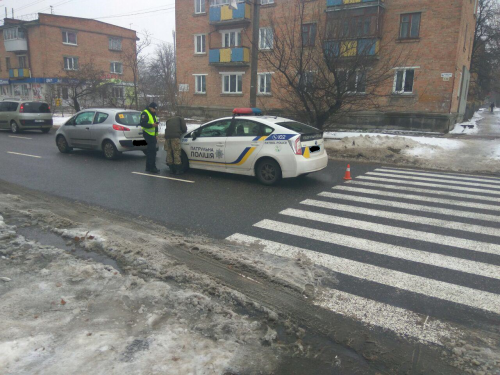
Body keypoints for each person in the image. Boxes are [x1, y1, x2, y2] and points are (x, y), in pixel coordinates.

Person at [140, 103, 160, 173]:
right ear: (150, 107)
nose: (155, 110)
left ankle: (148, 167)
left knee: (150, 151)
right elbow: (143, 123)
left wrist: (156, 134)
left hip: (153, 135)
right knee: (152, 151)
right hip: (148, 134)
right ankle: (152, 167)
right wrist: (152, 125)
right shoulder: (145, 113)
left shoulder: (153, 113)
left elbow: (156, 125)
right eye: (154, 109)